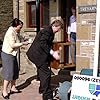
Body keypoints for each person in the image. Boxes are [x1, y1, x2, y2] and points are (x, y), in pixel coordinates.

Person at [26, 19, 63, 100]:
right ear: (54, 26)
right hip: (37, 56)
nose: (59, 31)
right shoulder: (47, 31)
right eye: (58, 29)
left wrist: (54, 52)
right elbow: (43, 43)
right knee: (46, 74)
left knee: (42, 73)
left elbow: (48, 44)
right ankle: (47, 96)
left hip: (39, 56)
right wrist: (53, 53)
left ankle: (42, 89)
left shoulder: (50, 32)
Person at [1, 18, 29, 99]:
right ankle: (4, 91)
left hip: (13, 54)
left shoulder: (15, 31)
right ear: (15, 26)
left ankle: (13, 87)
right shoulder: (10, 32)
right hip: (7, 54)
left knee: (15, 71)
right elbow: (12, 45)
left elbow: (18, 37)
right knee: (9, 73)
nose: (20, 28)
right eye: (20, 27)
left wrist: (24, 39)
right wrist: (23, 43)